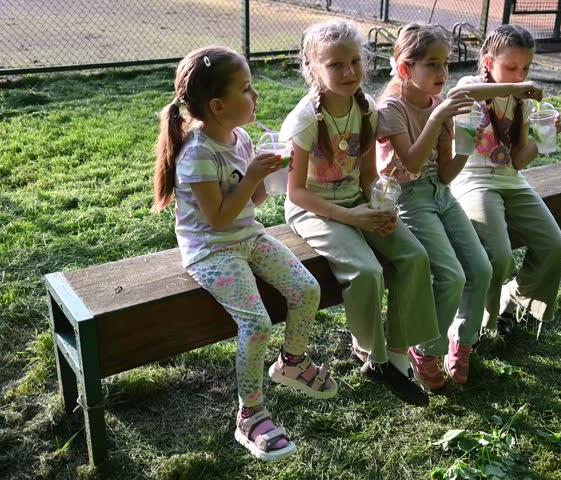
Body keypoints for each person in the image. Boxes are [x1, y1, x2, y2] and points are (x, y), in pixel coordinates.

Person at [153, 46, 336, 462]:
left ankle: (291, 363)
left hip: (247, 236)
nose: (256, 97)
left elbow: (251, 202)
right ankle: (250, 414)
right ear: (219, 106)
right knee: (254, 323)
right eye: (248, 89)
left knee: (306, 288)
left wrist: (266, 173)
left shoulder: (242, 137)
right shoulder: (198, 154)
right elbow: (217, 219)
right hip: (211, 250)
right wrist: (253, 172)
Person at [280, 20, 438, 406]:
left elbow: (368, 175)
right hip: (313, 211)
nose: (349, 72)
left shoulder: (367, 110)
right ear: (313, 69)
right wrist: (351, 217)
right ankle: (374, 356)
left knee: (414, 256)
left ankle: (399, 353)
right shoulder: (305, 120)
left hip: (357, 203)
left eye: (355, 61)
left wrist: (382, 209)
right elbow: (297, 192)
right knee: (367, 271)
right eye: (336, 65)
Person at [375, 24, 492, 389]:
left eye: (446, 64)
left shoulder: (438, 105)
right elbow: (410, 164)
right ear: (406, 69)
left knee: (481, 269)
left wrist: (468, 143)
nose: (443, 74)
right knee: (452, 276)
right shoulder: (392, 108)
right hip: (408, 198)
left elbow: (445, 174)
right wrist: (439, 118)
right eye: (432, 65)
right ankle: (425, 349)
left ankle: (462, 341)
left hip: (440, 194)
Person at [449, 25, 561, 339]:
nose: (520, 76)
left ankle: (511, 303)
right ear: (488, 63)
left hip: (511, 181)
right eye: (511, 67)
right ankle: (477, 327)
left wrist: (546, 139)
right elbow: (458, 96)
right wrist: (512, 89)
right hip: (473, 180)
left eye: (526, 68)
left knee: (556, 249)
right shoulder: (472, 85)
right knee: (500, 258)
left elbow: (517, 160)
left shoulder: (522, 101)